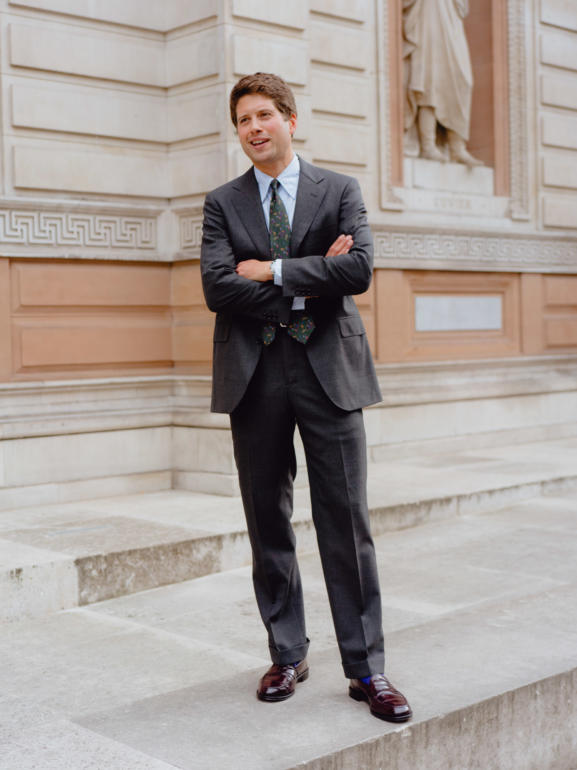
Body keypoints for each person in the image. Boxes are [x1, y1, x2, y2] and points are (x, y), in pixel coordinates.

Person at [201, 72, 411, 723]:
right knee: (268, 521)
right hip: (254, 375)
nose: (255, 128)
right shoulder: (220, 202)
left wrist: (272, 270)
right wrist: (316, 274)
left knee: (345, 522)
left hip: (329, 373)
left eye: (264, 114)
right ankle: (286, 653)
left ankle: (366, 668)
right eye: (244, 120)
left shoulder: (339, 189)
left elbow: (359, 270)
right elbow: (216, 287)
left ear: (290, 119)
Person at [403, 0, 482, 166]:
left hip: (452, 15)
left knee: (463, 79)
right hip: (430, 11)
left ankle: (457, 146)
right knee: (431, 78)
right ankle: (428, 145)